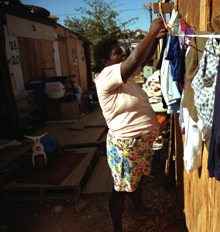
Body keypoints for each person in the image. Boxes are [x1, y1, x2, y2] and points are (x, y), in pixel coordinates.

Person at [93, 18, 167, 232]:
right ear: (106, 62)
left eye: (122, 51)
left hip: (137, 143)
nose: (123, 54)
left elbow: (140, 62)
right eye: (118, 53)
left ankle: (140, 209)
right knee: (121, 189)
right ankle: (118, 229)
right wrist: (151, 33)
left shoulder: (123, 77)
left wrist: (154, 42)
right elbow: (135, 58)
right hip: (126, 146)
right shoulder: (107, 76)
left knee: (134, 181)